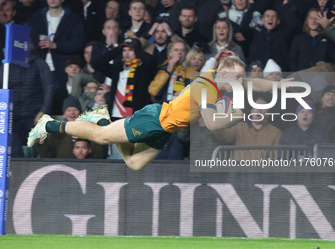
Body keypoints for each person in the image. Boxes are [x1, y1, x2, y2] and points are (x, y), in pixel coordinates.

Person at [28, 56, 293, 170]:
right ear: (223, 73)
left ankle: (101, 119)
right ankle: (50, 125)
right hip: (155, 120)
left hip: (166, 129)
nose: (238, 82)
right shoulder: (206, 88)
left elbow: (252, 83)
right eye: (235, 77)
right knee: (101, 137)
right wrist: (239, 114)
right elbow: (212, 124)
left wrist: (277, 85)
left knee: (134, 164)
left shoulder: (220, 77)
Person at [30, 0, 85, 114]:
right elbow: (32, 40)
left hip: (62, 68)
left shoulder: (72, 19)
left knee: (60, 102)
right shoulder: (37, 17)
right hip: (41, 66)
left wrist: (55, 45)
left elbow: (77, 43)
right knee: (41, 101)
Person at [0, 40, 53, 157]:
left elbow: (48, 88)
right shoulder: (7, 66)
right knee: (12, 149)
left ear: (32, 45)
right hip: (11, 116)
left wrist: (43, 111)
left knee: (36, 149)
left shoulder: (39, 64)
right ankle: (16, 174)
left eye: (27, 42)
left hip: (33, 114)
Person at [213, 94, 282, 160]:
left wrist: (265, 164)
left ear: (268, 114)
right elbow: (223, 135)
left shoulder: (276, 132)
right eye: (256, 107)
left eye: (263, 108)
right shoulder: (240, 127)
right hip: (239, 169)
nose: (259, 110)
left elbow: (276, 156)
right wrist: (216, 122)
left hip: (262, 170)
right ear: (251, 111)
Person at [38, 96, 106, 158]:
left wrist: (84, 139)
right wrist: (42, 142)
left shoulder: (89, 129)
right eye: (69, 110)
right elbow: (46, 157)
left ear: (80, 114)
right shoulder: (57, 132)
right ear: (64, 115)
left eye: (75, 110)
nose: (72, 113)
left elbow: (99, 155)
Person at [148, 39, 198, 103]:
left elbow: (200, 94)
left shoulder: (192, 72)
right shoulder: (163, 68)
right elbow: (153, 91)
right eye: (176, 50)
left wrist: (186, 94)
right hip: (164, 107)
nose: (179, 52)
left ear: (186, 54)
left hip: (183, 107)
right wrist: (168, 69)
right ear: (171, 53)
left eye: (182, 50)